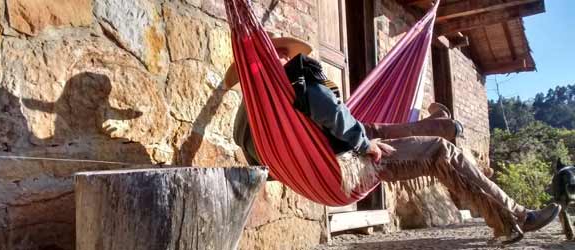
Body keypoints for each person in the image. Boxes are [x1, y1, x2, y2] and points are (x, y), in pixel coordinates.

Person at [224, 35, 560, 242]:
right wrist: (365, 145)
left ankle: (432, 124)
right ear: (270, 60)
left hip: (321, 160)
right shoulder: (295, 78)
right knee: (440, 152)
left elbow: (267, 159)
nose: (283, 57)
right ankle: (517, 216)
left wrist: (351, 140)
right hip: (348, 165)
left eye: (282, 52)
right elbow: (331, 111)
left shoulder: (248, 117)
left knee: (374, 128)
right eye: (278, 53)